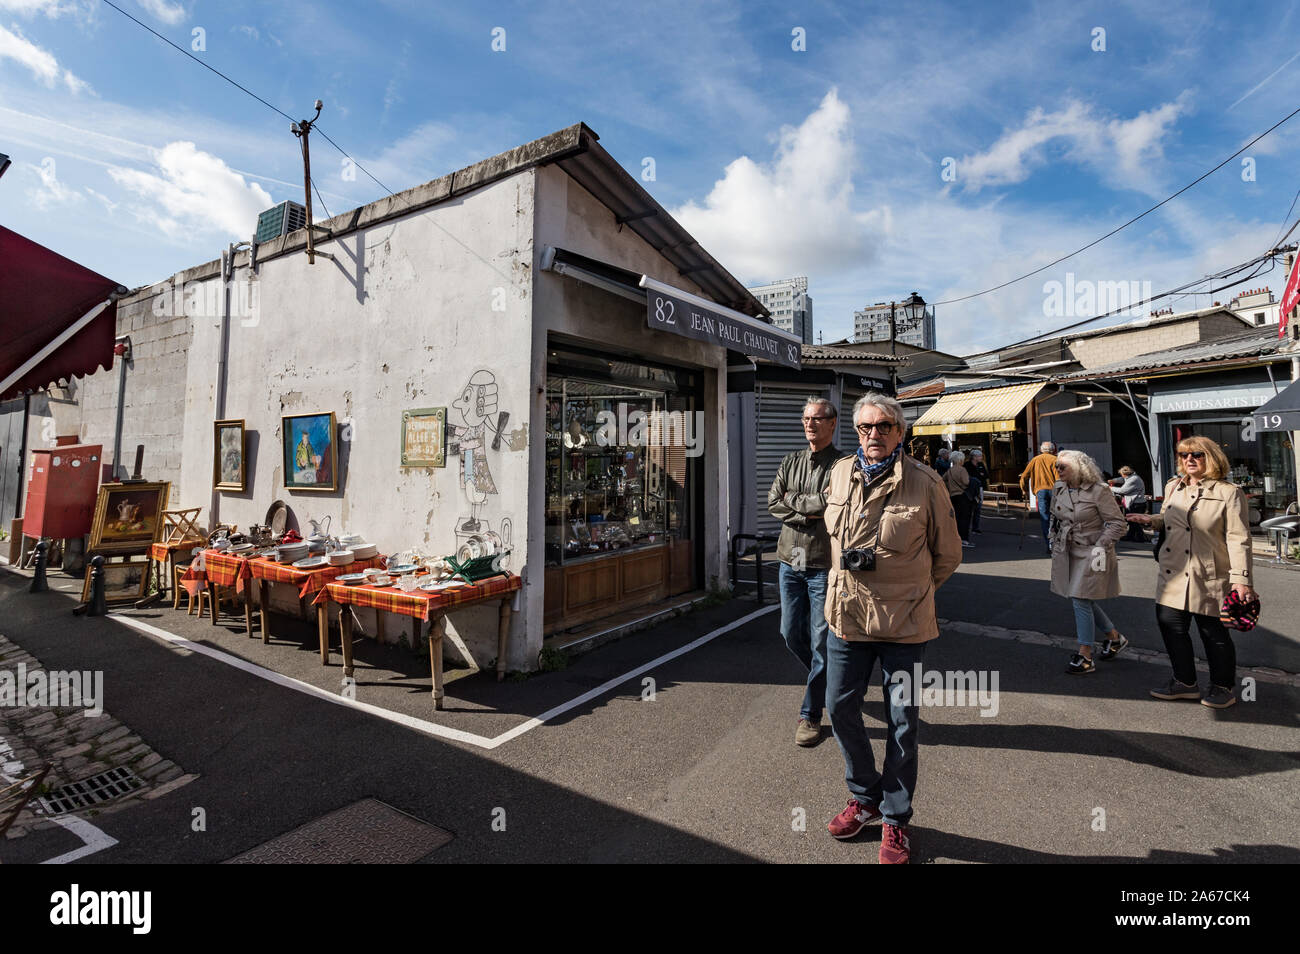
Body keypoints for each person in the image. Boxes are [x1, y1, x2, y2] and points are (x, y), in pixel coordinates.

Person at [822, 393, 963, 864]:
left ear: (900, 432)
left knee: (902, 724)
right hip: (847, 618)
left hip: (904, 625)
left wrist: (913, 593)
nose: (873, 435)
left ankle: (896, 819)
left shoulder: (925, 483)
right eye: (865, 427)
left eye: (883, 426)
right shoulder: (840, 472)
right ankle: (865, 798)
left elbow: (948, 556)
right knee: (839, 708)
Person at [1127, 436, 1256, 708]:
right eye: (1184, 455)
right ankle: (1184, 682)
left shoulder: (1228, 492)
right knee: (1171, 628)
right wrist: (1150, 520)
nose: (1189, 460)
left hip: (1208, 575)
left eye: (1197, 454)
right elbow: (1167, 518)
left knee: (1214, 633)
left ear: (1212, 458)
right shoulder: (1174, 487)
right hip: (1173, 573)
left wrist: (1241, 581)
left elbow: (1238, 538)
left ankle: (1223, 687)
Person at [768, 397, 846, 746]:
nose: (810, 424)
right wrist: (810, 506)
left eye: (817, 418)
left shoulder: (843, 464)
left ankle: (810, 715)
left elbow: (835, 505)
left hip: (821, 564)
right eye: (806, 418)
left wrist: (795, 501)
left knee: (820, 641)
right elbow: (773, 501)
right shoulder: (790, 460)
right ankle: (825, 678)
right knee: (789, 634)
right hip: (790, 559)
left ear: (832, 423)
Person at [1050, 450, 1129, 674]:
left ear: (1078, 468)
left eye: (1062, 466)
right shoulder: (1059, 488)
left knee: (1080, 598)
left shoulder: (1099, 491)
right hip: (1068, 549)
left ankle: (1085, 654)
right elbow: (1056, 518)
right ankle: (1114, 638)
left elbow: (1117, 524)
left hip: (1093, 551)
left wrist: (1100, 545)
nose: (1058, 470)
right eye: (1056, 466)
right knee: (1081, 597)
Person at [1020, 441, 1058, 556]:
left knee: (1044, 517)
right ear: (1053, 450)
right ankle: (1056, 542)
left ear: (1042, 450)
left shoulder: (1035, 460)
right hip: (1055, 490)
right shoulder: (1055, 460)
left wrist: (1024, 489)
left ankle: (1049, 545)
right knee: (1056, 516)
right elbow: (1060, 477)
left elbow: (1024, 476)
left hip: (1041, 491)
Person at [1110, 466, 1149, 542]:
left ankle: (1139, 538)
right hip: (1135, 503)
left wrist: (1110, 488)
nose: (1122, 476)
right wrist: (1113, 480)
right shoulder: (1131, 477)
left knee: (1135, 522)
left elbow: (1123, 490)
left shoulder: (1133, 479)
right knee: (1132, 522)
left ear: (1125, 474)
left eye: (1122, 474)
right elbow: (1122, 479)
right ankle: (1132, 537)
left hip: (1136, 504)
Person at [944, 450, 975, 548]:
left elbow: (942, 480)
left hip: (953, 496)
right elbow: (966, 482)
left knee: (956, 518)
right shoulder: (962, 470)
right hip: (963, 496)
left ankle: (955, 538)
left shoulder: (950, 471)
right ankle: (964, 539)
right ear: (960, 460)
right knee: (965, 518)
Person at [967, 449, 990, 534]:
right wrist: (980, 475)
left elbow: (986, 475)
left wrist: (980, 476)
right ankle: (966, 527)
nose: (981, 457)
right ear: (974, 457)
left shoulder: (981, 464)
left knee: (978, 508)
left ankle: (975, 527)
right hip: (970, 489)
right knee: (969, 508)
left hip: (979, 489)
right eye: (979, 456)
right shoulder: (967, 465)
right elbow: (968, 477)